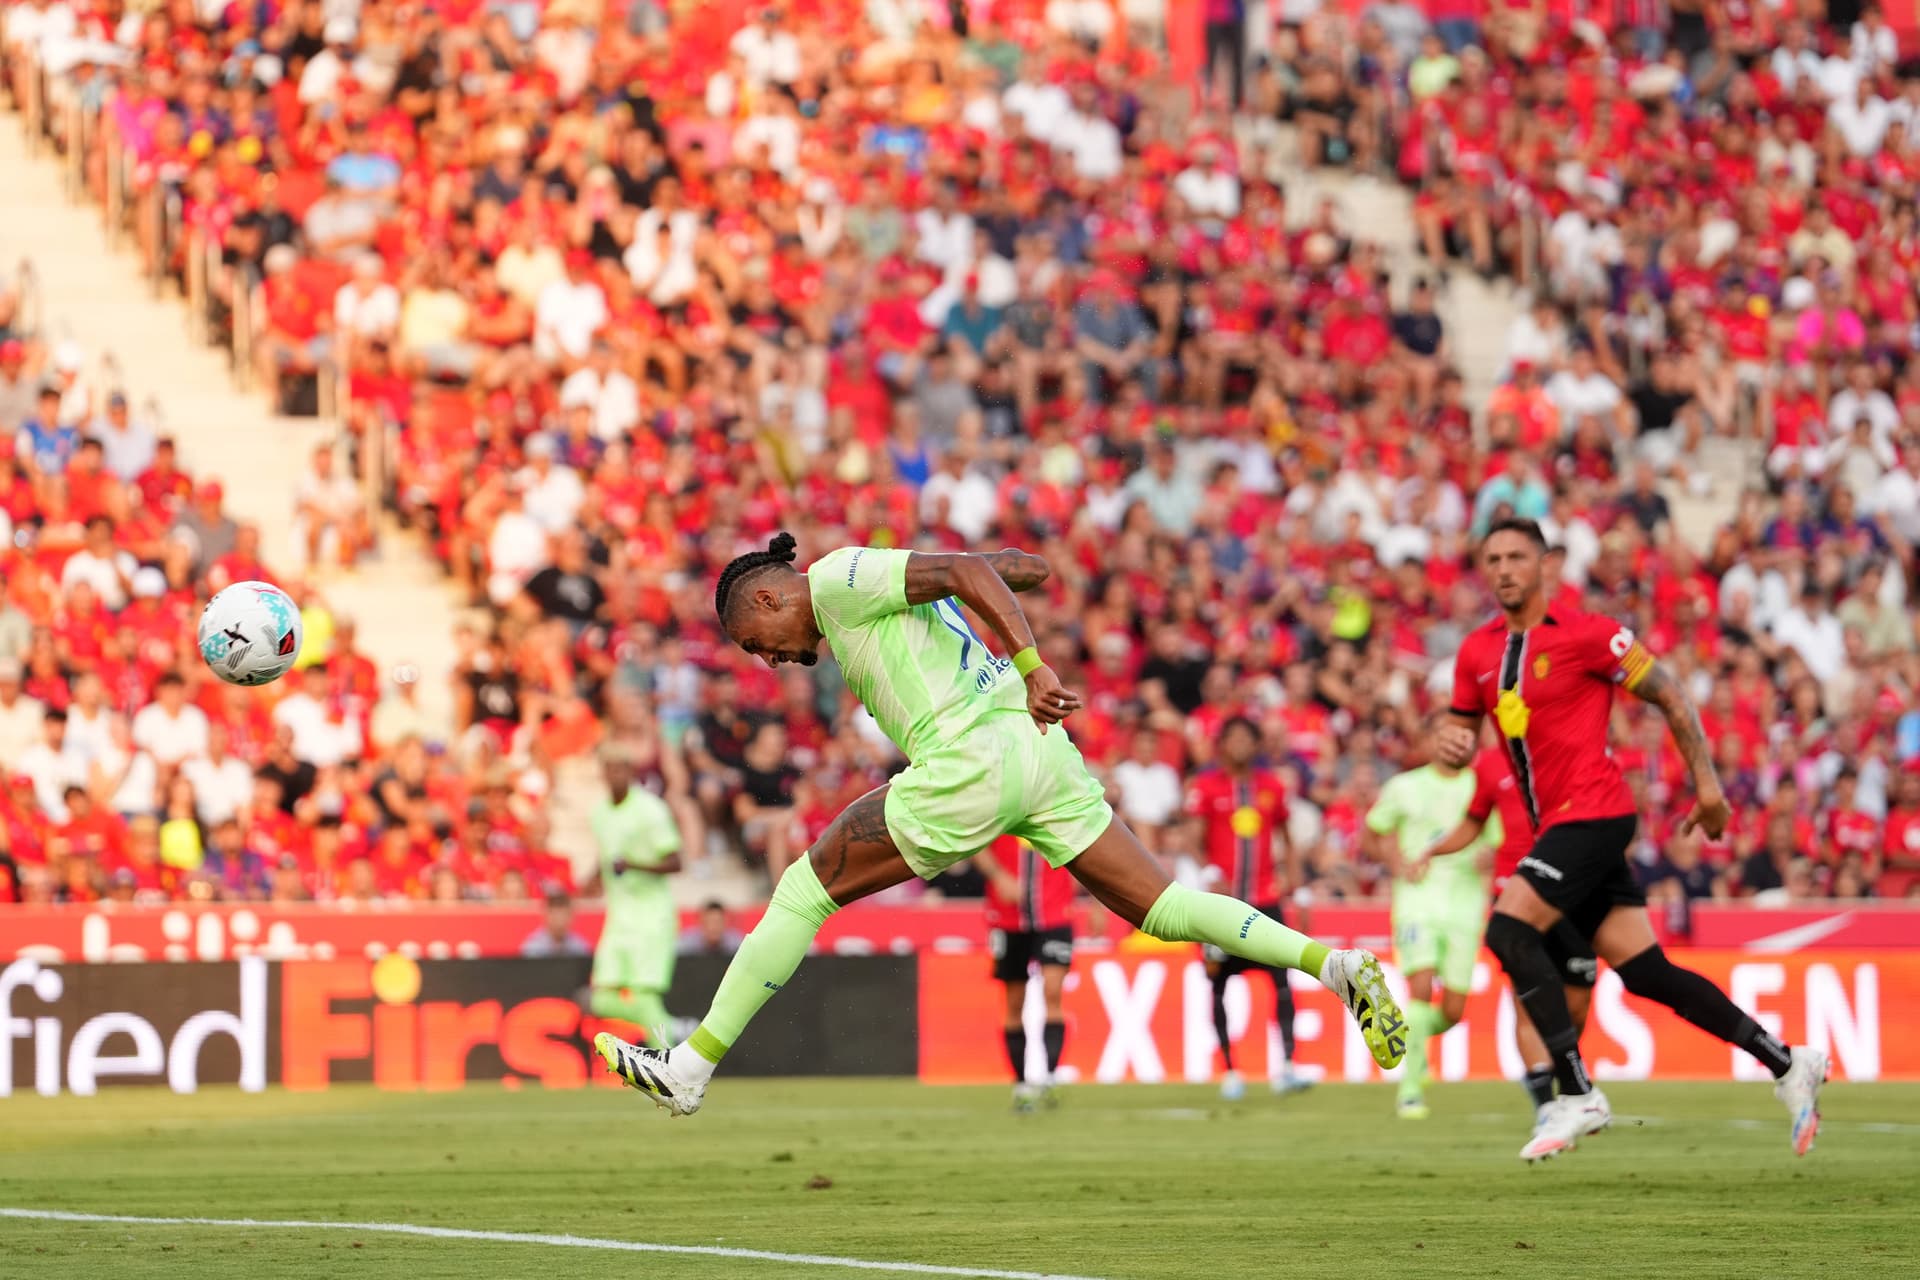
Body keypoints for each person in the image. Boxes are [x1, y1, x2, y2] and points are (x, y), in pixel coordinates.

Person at [595, 534, 1406, 1113]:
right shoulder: (858, 607)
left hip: (972, 755)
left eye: (754, 642)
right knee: (1159, 907)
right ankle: (1331, 966)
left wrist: (1031, 657)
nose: (768, 659)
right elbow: (970, 573)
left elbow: (962, 567)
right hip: (1040, 755)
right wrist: (1007, 573)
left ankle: (690, 1069)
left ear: (768, 596)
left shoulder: (837, 578)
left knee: (803, 894)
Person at [1441, 518, 1827, 1161]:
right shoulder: (1475, 653)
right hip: (1559, 827)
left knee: (1509, 932)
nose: (1504, 568)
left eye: (1517, 556)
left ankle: (1577, 1091)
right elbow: (1453, 738)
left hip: (1594, 813)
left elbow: (1670, 692)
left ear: (1545, 565)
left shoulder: (1589, 634)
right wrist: (1448, 747)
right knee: (1648, 973)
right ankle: (1787, 1061)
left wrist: (1706, 787)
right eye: (1493, 559)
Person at [1420, 738, 1599, 1129]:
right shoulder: (1489, 766)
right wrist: (1432, 850)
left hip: (1568, 888)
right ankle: (1543, 1101)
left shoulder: (1567, 751)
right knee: (1528, 998)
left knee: (1578, 999)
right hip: (1514, 891)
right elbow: (1473, 822)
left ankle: (1560, 1070)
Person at [1363, 714, 1496, 1119]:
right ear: (1430, 740)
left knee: (1453, 1012)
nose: (1454, 742)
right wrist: (1396, 861)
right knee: (1419, 986)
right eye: (1444, 734)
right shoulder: (1404, 787)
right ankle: (1410, 1088)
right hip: (1417, 900)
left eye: (1462, 735)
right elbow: (1372, 833)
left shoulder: (1483, 786)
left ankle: (1414, 1047)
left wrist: (1491, 858)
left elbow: (1499, 841)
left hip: (1466, 905)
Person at [1185, 716, 1311, 1100]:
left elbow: (1288, 839)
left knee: (1281, 982)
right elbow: (1192, 838)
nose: (1240, 744)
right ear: (1221, 744)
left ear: (1256, 744)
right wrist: (1208, 870)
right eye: (1233, 737)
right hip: (1222, 906)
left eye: (1247, 737)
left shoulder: (1271, 786)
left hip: (1266, 901)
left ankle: (1287, 1067)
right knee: (1218, 985)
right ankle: (1229, 1070)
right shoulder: (1206, 786)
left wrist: (1296, 884)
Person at [585, 750, 685, 1044]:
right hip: (619, 916)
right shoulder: (600, 813)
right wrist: (591, 880)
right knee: (601, 999)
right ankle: (675, 1028)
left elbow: (676, 862)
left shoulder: (650, 809)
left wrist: (632, 865)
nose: (615, 774)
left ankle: (667, 1067)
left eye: (620, 768)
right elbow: (607, 856)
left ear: (631, 772)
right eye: (609, 768)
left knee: (644, 996)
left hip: (652, 915)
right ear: (602, 773)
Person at [974, 834, 1074, 1111]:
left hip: (1055, 913)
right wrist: (998, 876)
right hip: (1006, 917)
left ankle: (1051, 1076)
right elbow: (974, 842)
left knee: (1053, 991)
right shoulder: (999, 806)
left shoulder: (1058, 804)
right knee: (1014, 1000)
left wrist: (1099, 903)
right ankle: (1021, 1084)